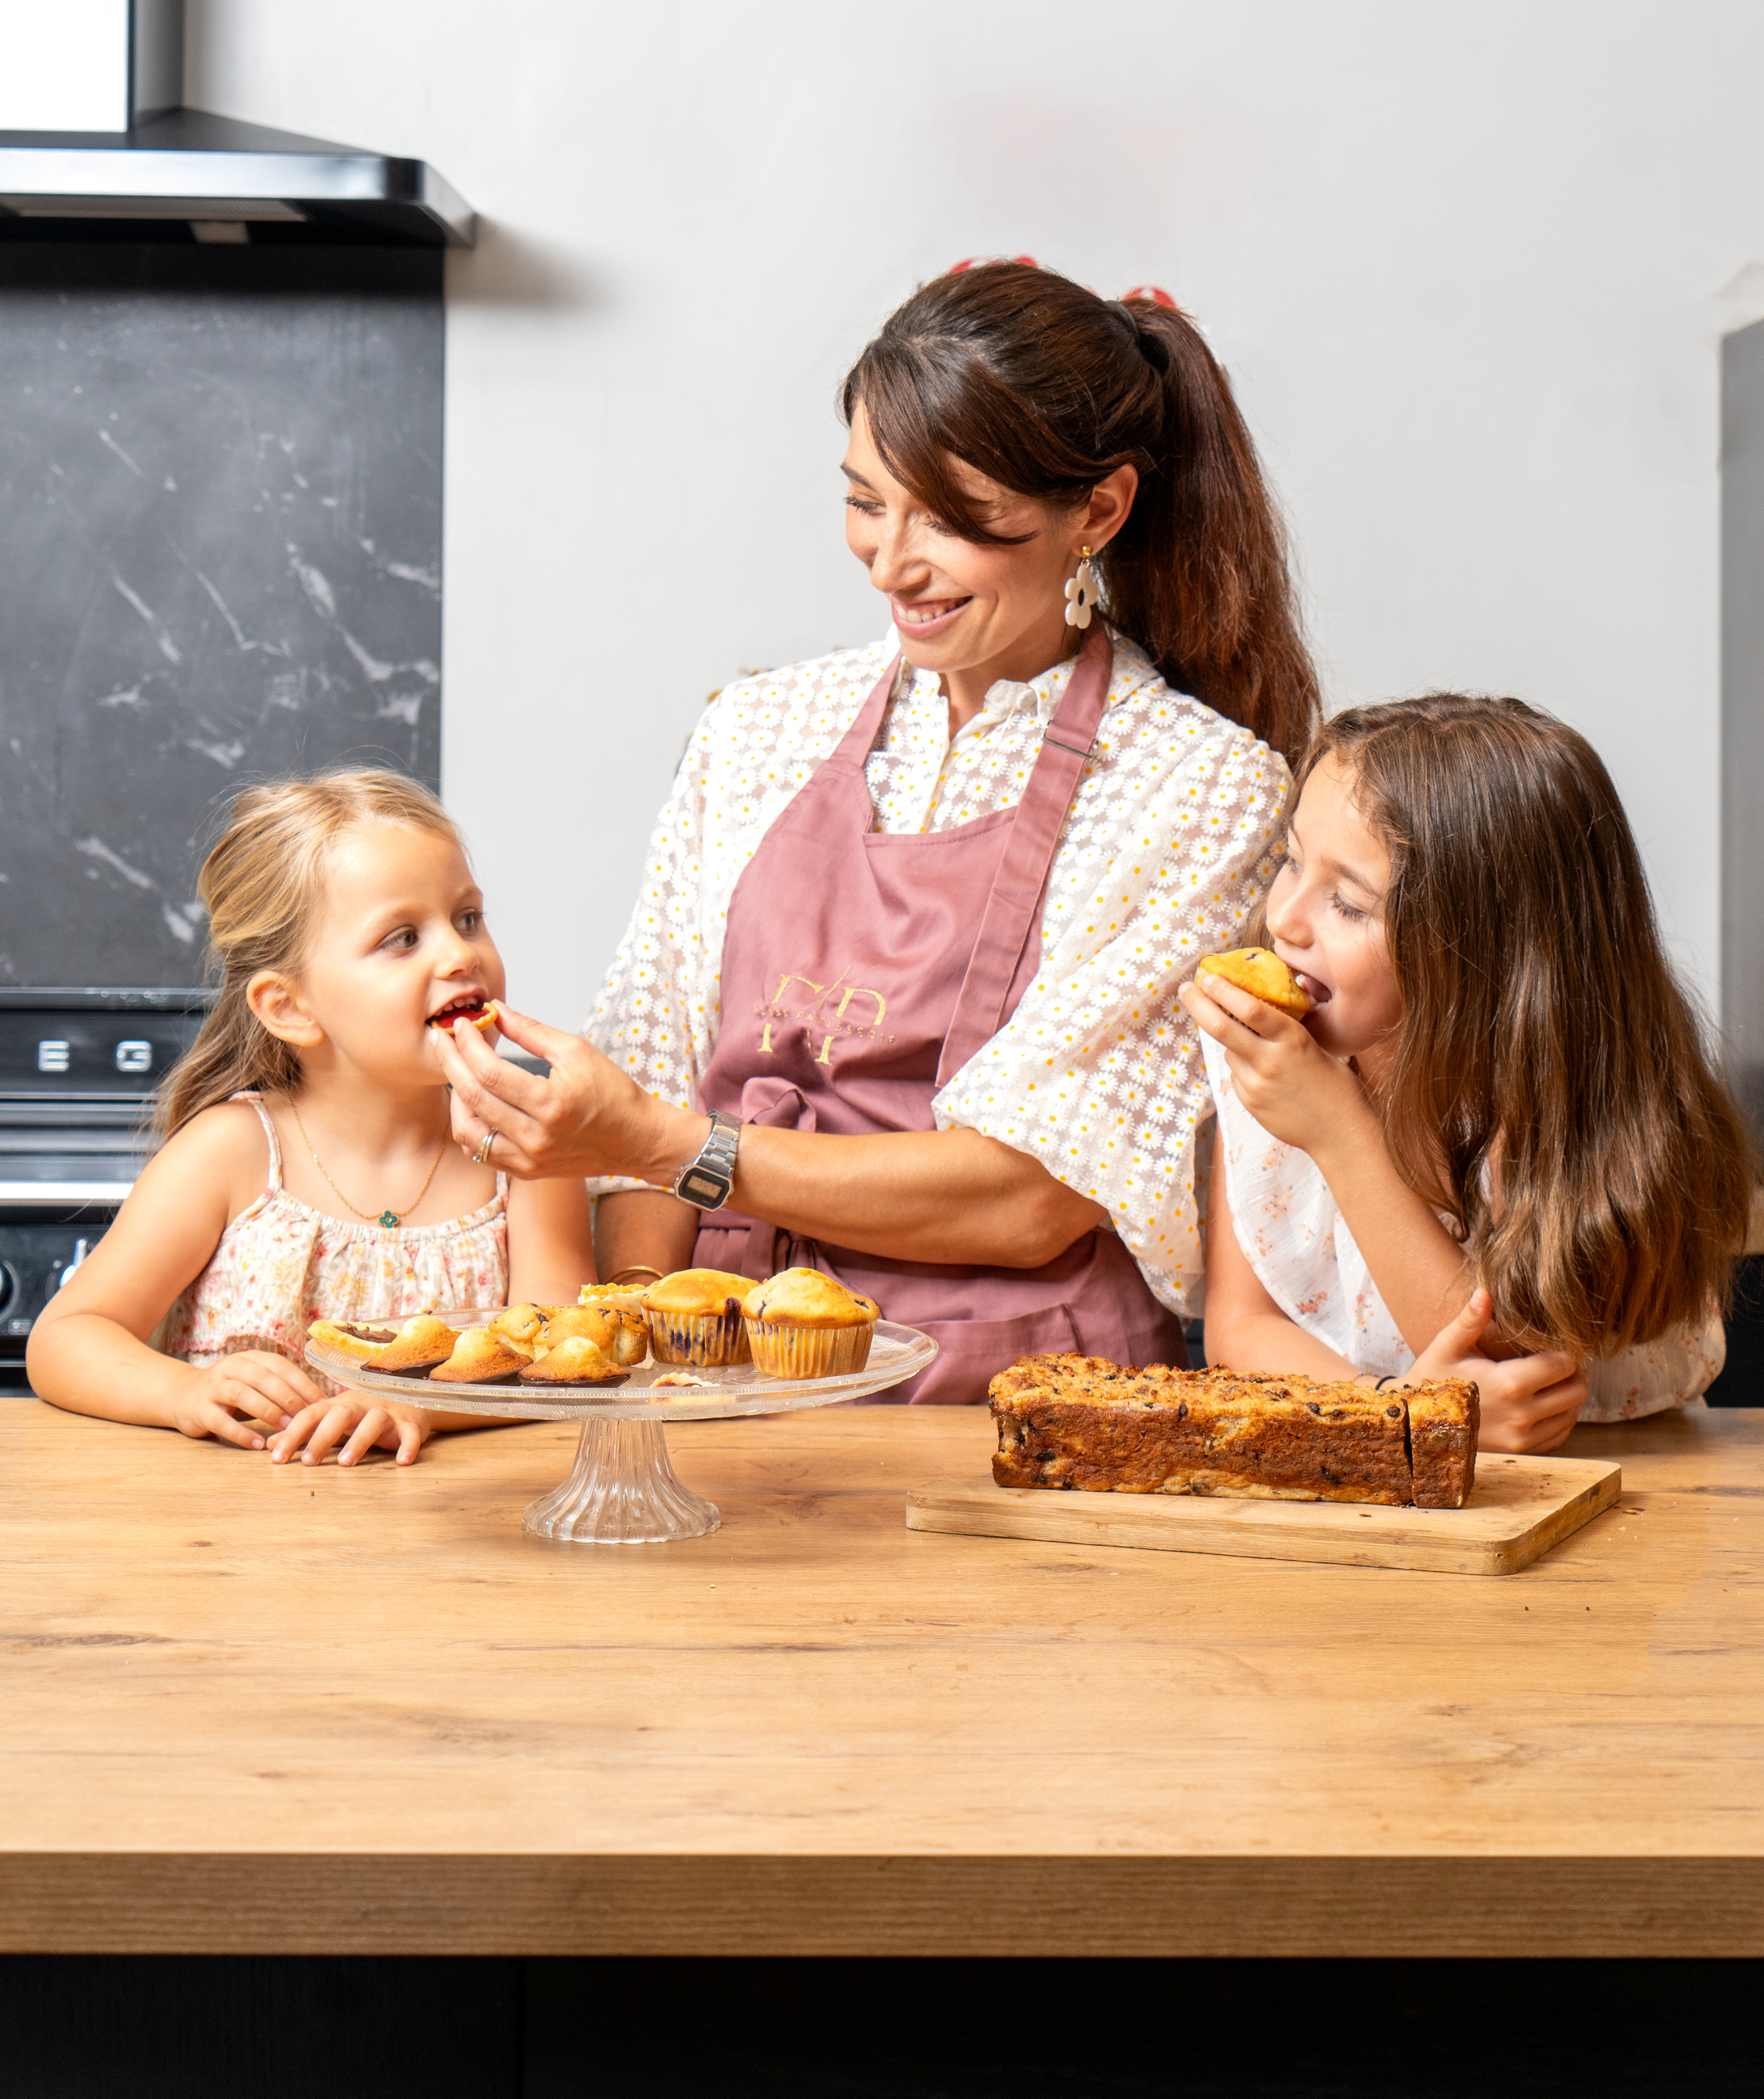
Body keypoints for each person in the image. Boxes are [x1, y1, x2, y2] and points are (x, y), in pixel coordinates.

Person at [431, 261, 1320, 1398]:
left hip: (1011, 1411)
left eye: (956, 521)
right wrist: (644, 1369)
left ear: (1098, 510)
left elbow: (1026, 1196)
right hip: (726, 1384)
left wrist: (663, 1143)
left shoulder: (1198, 788)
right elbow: (655, 1075)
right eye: (864, 499)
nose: (891, 563)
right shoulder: (757, 729)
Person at [1184, 694, 1759, 1450]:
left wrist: (1339, 1131)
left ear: (1486, 957)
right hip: (1395, 1462)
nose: (1286, 917)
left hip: (1626, 1478)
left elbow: (1517, 1372)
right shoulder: (1279, 1062)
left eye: (1349, 905)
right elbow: (1239, 1326)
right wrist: (1403, 1414)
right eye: (1292, 859)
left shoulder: (1552, 1102)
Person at [28, 771, 594, 1464]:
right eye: (403, 937)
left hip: (450, 1543)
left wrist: (415, 1404)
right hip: (236, 1545)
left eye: (468, 917)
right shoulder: (230, 1153)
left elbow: (557, 1354)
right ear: (290, 1007)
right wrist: (182, 1391)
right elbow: (66, 1336)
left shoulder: (532, 1150)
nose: (459, 954)